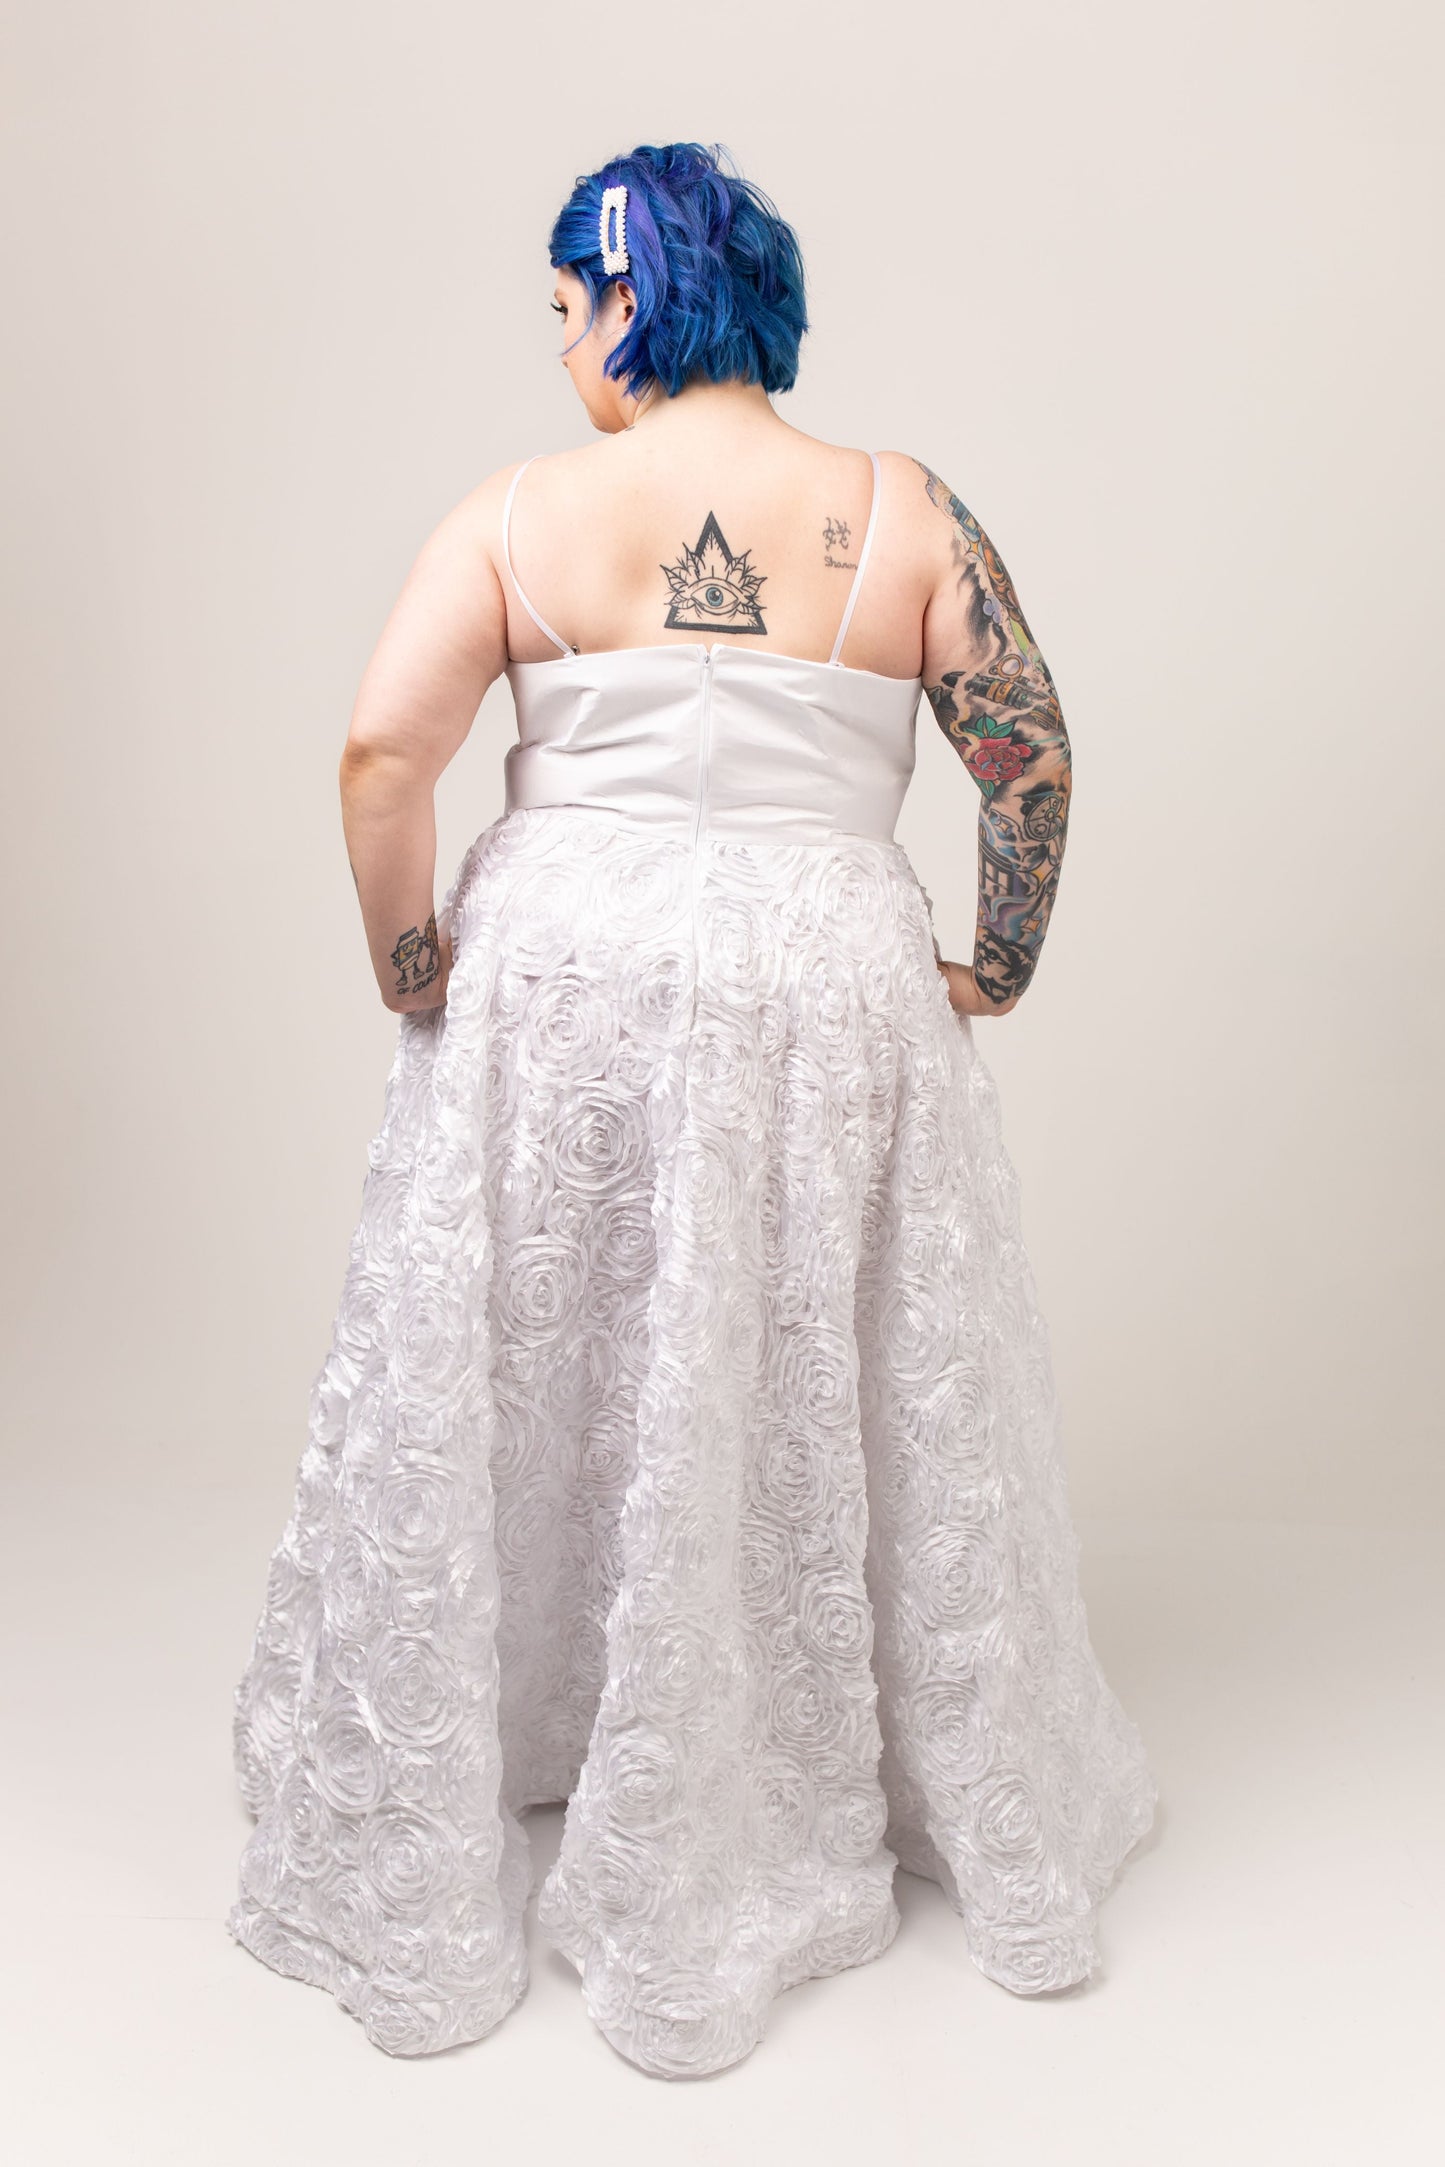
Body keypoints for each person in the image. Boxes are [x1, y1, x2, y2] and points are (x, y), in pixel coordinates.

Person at [227, 140, 1156, 2080]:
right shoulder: (906, 509)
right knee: (796, 1339)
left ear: (634, 298)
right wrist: (997, 963)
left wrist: (410, 962)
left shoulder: (519, 512)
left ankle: (548, 1711)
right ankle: (795, 1738)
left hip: (570, 971)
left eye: (568, 308)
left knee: (563, 1334)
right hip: (824, 976)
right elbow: (1029, 754)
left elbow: (384, 750)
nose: (560, 344)